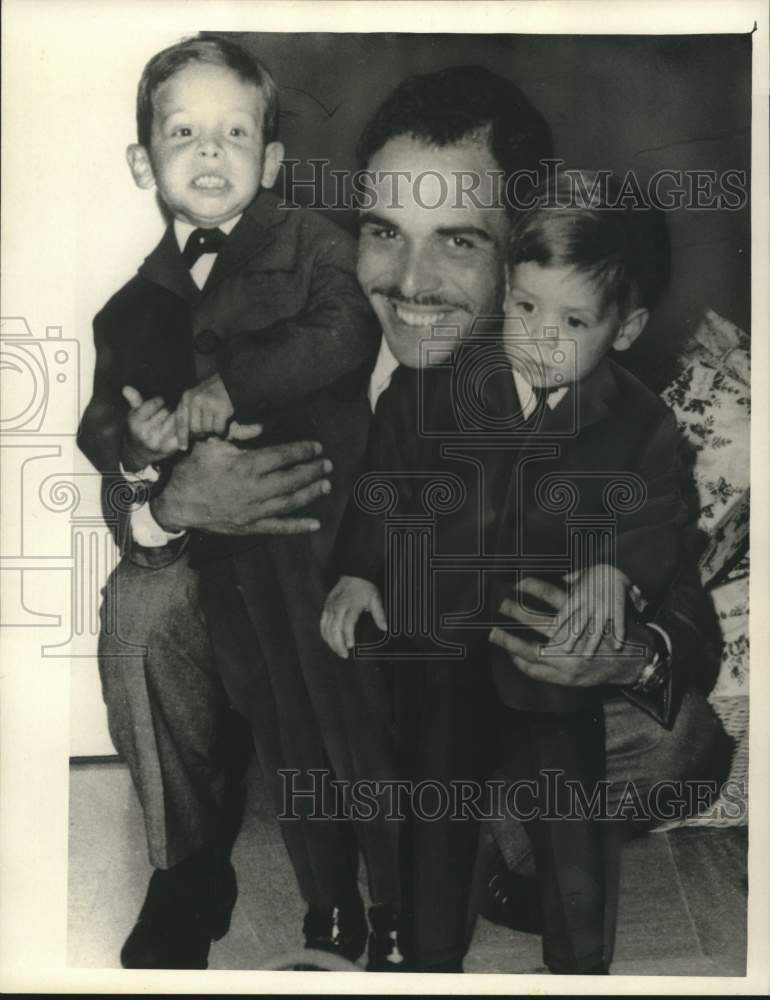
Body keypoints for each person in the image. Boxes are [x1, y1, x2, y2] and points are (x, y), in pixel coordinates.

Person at [322, 72, 727, 974]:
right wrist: (356, 569)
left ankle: (552, 924)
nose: (412, 280)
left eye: (458, 239)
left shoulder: (628, 414)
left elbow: (667, 545)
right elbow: (378, 495)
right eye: (384, 231)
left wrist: (627, 627)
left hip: (536, 681)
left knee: (657, 752)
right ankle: (412, 922)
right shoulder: (367, 382)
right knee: (432, 806)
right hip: (413, 685)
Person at [77, 34, 379, 969]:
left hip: (321, 539)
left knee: (321, 720)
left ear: (272, 159)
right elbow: (100, 426)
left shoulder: (315, 245)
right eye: (183, 133)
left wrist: (232, 386)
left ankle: (353, 897)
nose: (210, 150)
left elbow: (348, 328)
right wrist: (139, 445)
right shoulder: (128, 310)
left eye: (235, 132)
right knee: (264, 705)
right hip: (216, 565)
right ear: (143, 163)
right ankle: (196, 873)